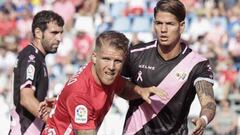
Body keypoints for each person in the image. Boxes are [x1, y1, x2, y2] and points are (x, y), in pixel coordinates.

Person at [40, 30, 168, 135]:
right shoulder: (81, 93)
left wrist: (141, 91)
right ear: (94, 57)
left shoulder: (103, 73)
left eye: (117, 61)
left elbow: (122, 88)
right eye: (106, 59)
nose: (111, 67)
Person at [121, 0, 216, 135]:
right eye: (159, 23)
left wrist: (204, 119)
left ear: (181, 26)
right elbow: (118, 87)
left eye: (170, 24)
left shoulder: (197, 63)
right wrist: (139, 90)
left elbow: (208, 103)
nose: (163, 30)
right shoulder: (135, 54)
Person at [9, 10, 64, 135]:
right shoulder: (31, 57)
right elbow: (26, 99)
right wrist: (55, 124)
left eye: (61, 33)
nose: (59, 38)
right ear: (38, 33)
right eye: (54, 33)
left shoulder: (38, 57)